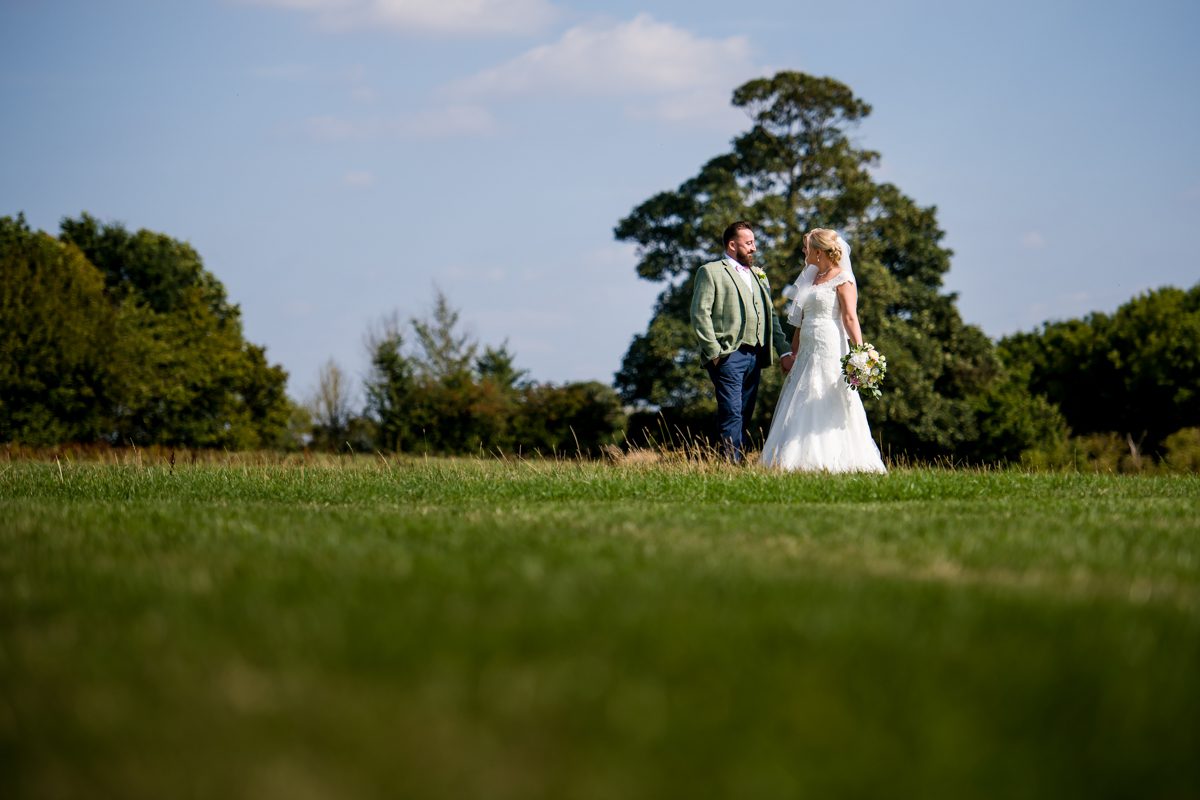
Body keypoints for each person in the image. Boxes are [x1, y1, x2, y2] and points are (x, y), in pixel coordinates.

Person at [760, 228, 887, 473]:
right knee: (800, 394)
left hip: (830, 343)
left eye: (806, 248)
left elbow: (850, 317)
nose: (803, 252)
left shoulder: (843, 278)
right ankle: (792, 459)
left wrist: (860, 353)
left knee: (827, 391)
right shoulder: (811, 278)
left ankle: (836, 460)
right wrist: (794, 352)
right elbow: (800, 321)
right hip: (807, 346)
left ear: (819, 252)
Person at [690, 221, 794, 462]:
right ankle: (732, 463)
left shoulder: (759, 275)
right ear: (732, 244)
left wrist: (784, 351)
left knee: (744, 412)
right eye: (748, 243)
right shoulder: (711, 271)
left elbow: (771, 318)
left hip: (755, 356)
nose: (754, 248)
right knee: (732, 411)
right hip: (728, 354)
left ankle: (723, 460)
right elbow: (699, 314)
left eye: (754, 243)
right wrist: (715, 352)